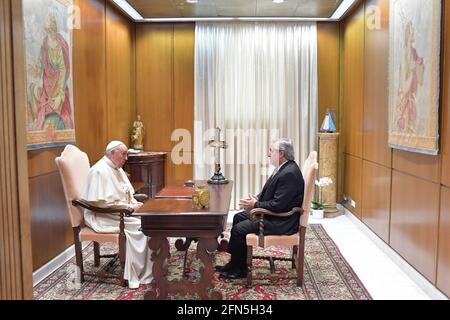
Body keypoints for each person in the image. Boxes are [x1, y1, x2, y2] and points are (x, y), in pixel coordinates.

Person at [217, 138, 305, 279]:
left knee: (239, 230)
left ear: (281, 153)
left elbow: (278, 205)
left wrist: (255, 205)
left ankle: (239, 270)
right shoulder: (284, 168)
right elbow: (274, 193)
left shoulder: (289, 173)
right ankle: (236, 263)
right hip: (275, 215)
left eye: (271, 150)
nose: (268, 154)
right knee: (238, 217)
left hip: (281, 221)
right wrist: (257, 199)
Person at [82, 141, 152, 289]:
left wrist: (132, 203)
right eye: (124, 154)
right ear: (112, 153)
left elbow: (126, 192)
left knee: (151, 221)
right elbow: (99, 204)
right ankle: (137, 272)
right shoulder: (99, 171)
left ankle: (151, 267)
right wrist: (129, 207)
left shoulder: (116, 168)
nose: (126, 158)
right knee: (141, 227)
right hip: (102, 216)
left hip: (119, 212)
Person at [30, 14, 73, 131]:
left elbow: (63, 70)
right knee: (41, 115)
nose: (45, 22)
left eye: (48, 20)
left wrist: (60, 95)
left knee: (64, 115)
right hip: (46, 87)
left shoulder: (60, 44)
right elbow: (40, 65)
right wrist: (34, 70)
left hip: (58, 86)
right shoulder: (44, 44)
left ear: (53, 24)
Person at [395, 21, 425, 134]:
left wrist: (420, 65)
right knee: (406, 128)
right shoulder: (404, 54)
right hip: (404, 102)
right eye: (412, 31)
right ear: (408, 33)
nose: (414, 34)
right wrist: (413, 70)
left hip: (412, 98)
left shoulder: (414, 52)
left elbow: (420, 80)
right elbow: (404, 87)